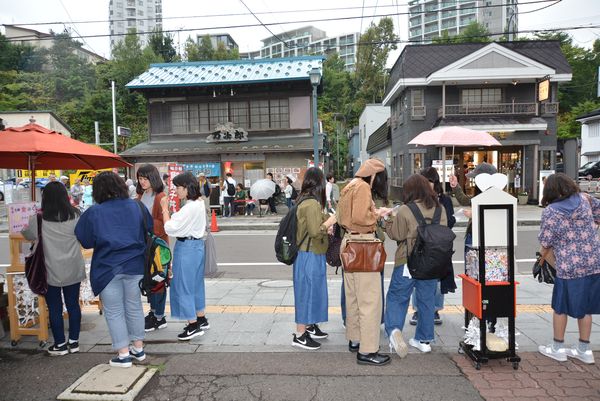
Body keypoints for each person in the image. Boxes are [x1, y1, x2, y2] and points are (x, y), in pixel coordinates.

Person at [75, 172, 150, 368]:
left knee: (115, 311)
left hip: (107, 269)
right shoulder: (137, 206)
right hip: (135, 265)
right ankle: (138, 348)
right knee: (134, 307)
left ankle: (123, 354)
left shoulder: (94, 212)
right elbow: (148, 229)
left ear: (98, 190)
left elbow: (85, 239)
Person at [537, 173, 600, 364]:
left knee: (560, 307)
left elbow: (546, 241)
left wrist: (540, 260)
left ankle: (558, 348)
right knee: (586, 307)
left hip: (568, 265)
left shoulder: (551, 211)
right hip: (593, 261)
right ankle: (584, 350)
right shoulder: (586, 199)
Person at [384, 174, 449, 357]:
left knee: (397, 297)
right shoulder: (440, 209)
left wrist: (388, 218)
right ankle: (424, 340)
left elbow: (396, 234)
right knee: (427, 300)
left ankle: (395, 331)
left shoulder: (405, 209)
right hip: (432, 263)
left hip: (407, 262)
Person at [337, 158, 391, 366]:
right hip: (362, 244)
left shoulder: (350, 185)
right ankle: (368, 351)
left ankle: (356, 339)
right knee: (370, 300)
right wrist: (377, 215)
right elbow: (361, 218)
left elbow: (346, 216)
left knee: (354, 297)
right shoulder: (363, 188)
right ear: (375, 176)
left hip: (349, 243)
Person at [22, 182, 85, 356]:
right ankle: (74, 342)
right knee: (73, 305)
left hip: (50, 270)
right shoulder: (76, 215)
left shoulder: (38, 218)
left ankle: (60, 344)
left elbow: (27, 234)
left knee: (55, 308)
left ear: (45, 198)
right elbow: (83, 236)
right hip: (73, 267)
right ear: (66, 196)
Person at [449, 162, 498, 332]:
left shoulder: (495, 197)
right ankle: (475, 319)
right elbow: (464, 200)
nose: (473, 182)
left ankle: (484, 320)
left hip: (482, 244)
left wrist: (475, 214)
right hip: (475, 240)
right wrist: (455, 187)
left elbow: (494, 218)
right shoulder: (481, 196)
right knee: (473, 280)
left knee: (480, 281)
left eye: (476, 179)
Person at [292, 167, 337, 351]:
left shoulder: (308, 201)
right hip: (308, 255)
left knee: (314, 292)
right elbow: (314, 231)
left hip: (312, 253)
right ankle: (300, 334)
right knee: (306, 293)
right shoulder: (310, 204)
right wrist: (330, 222)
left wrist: (326, 222)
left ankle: (309, 326)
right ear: (318, 183)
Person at [161, 172, 210, 341]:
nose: (177, 191)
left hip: (186, 248)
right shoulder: (198, 203)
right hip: (197, 247)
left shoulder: (189, 207)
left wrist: (164, 209)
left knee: (183, 286)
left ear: (187, 188)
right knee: (196, 285)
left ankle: (192, 324)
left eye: (179, 188)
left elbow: (170, 227)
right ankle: (201, 317)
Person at [409, 167, 456, 327]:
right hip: (420, 247)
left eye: (429, 181)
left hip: (439, 247)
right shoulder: (416, 201)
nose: (426, 184)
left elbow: (450, 221)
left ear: (435, 182)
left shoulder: (444, 200)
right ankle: (417, 310)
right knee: (419, 277)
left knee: (436, 279)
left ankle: (435, 309)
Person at [135, 164, 169, 333]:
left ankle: (160, 317)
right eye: (140, 178)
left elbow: (164, 225)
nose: (142, 182)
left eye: (145, 178)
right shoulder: (140, 196)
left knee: (159, 280)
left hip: (158, 246)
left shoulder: (160, 196)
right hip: (145, 245)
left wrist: (144, 221)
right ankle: (153, 312)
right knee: (149, 281)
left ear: (152, 178)